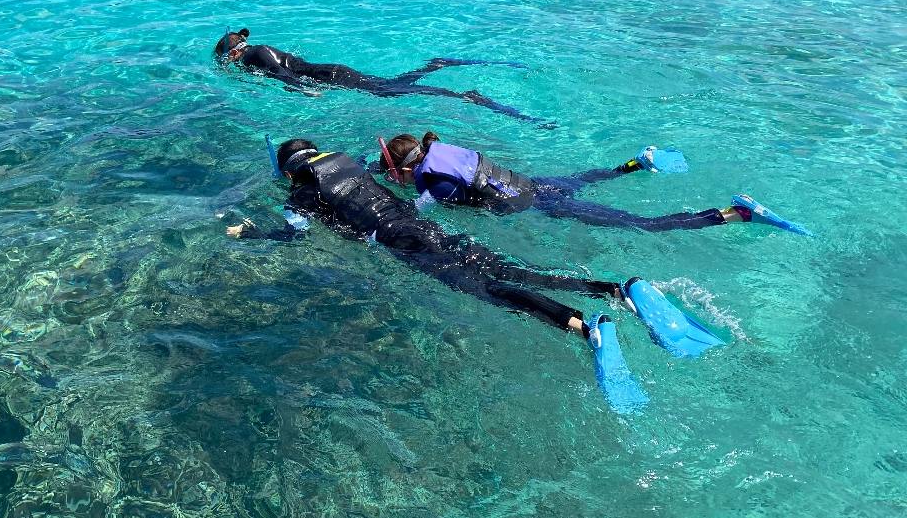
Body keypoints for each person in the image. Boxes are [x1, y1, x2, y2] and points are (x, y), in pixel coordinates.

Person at [227, 138, 729, 413]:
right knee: (506, 269)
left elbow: (291, 234)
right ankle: (617, 289)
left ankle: (583, 325)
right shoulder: (349, 164)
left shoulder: (304, 193)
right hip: (420, 226)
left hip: (405, 245)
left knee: (491, 289)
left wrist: (247, 234)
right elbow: (371, 173)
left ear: (292, 172)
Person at [378, 132, 812, 236]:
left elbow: (423, 208)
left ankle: (736, 213)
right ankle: (638, 163)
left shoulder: (436, 183)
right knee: (584, 179)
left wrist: (393, 212)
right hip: (529, 183)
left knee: (641, 225)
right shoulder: (444, 152)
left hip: (533, 203)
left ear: (402, 165)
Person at [213, 27, 552, 126]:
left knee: (391, 92)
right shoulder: (257, 51)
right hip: (333, 71)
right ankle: (437, 64)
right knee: (394, 85)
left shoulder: (255, 53)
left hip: (333, 76)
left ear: (233, 51)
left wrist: (304, 94)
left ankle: (466, 96)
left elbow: (279, 72)